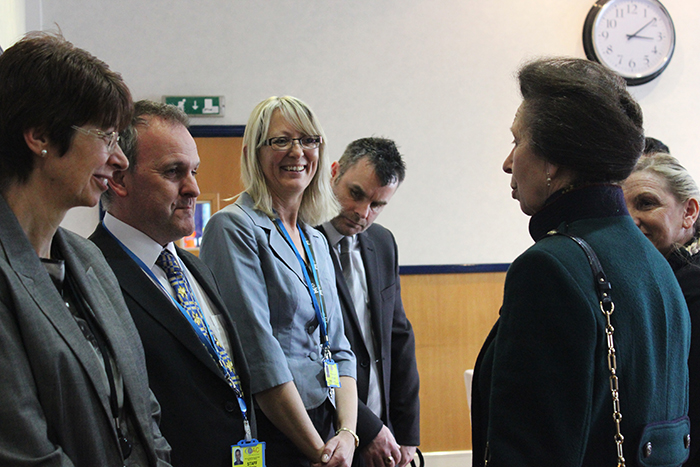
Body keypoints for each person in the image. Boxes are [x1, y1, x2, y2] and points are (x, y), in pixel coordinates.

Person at [471, 57, 691, 467]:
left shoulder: (551, 267)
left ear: (552, 159)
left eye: (517, 141)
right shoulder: (655, 261)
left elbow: (530, 449)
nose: (508, 162)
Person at [0, 33, 172, 466]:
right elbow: (24, 452)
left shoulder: (88, 258)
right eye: (106, 137)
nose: (121, 159)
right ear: (40, 135)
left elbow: (142, 411)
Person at [89, 100, 256, 467]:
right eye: (173, 172)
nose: (194, 188)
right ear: (118, 179)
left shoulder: (195, 269)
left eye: (194, 170)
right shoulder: (89, 276)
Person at [200, 96, 358, 467]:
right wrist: (319, 451)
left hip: (329, 425)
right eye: (281, 140)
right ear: (254, 151)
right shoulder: (232, 228)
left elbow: (340, 349)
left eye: (308, 140)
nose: (297, 152)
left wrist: (348, 434)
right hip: (279, 430)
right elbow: (260, 358)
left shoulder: (315, 239)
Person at [317, 137, 420, 467]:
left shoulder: (382, 242)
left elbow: (398, 337)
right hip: (326, 434)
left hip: (385, 431)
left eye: (377, 205)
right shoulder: (299, 241)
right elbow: (306, 354)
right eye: (356, 194)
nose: (363, 213)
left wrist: (406, 435)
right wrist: (368, 428)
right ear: (334, 173)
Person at [622, 152, 700, 466]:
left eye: (645, 203)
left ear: (689, 213)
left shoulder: (691, 286)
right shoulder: (642, 279)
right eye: (619, 208)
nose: (629, 219)